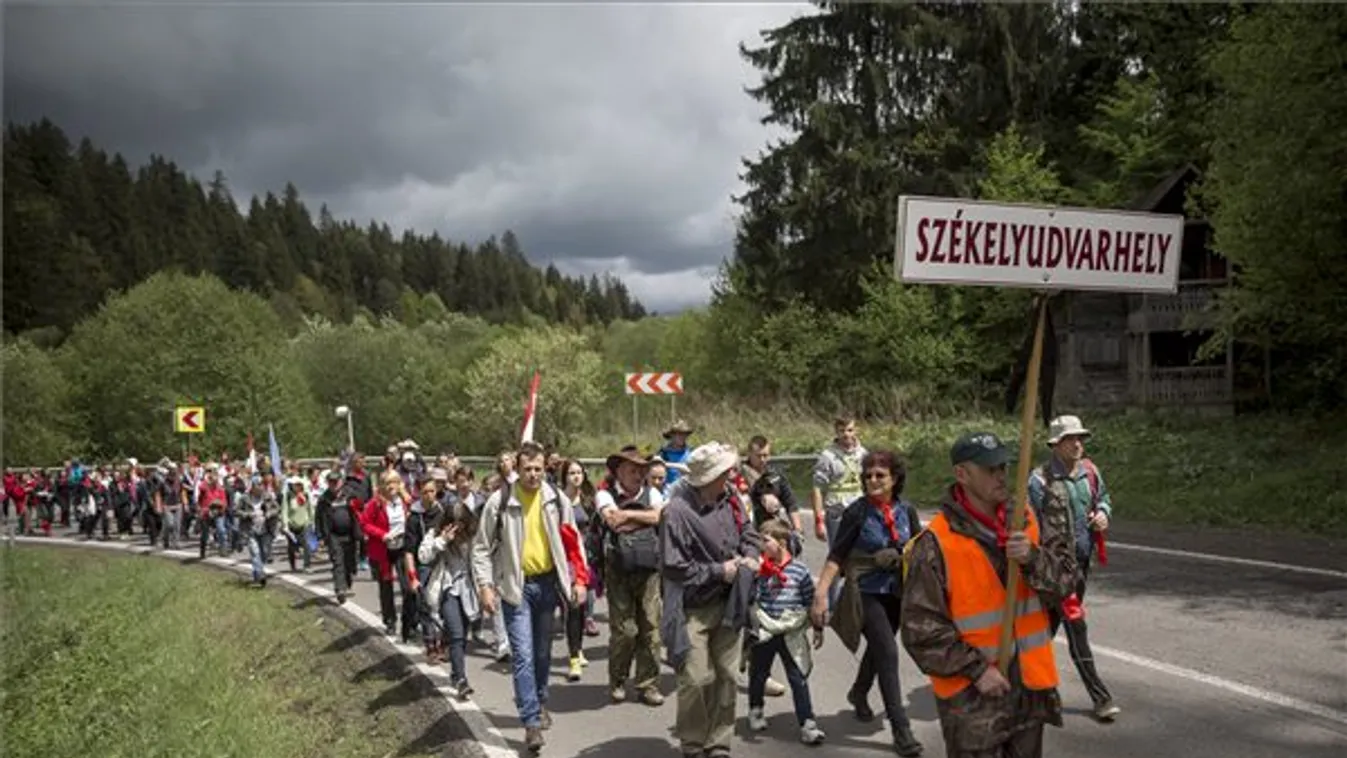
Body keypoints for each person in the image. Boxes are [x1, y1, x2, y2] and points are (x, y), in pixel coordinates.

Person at [901, 432, 1077, 758]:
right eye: (989, 469)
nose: (1000, 475)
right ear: (962, 474)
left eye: (1003, 467)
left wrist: (1033, 558)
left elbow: (1067, 583)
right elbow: (920, 630)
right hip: (973, 705)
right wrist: (977, 670)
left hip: (1028, 694)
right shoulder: (935, 542)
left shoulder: (1027, 519)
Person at [471, 441, 588, 754]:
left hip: (548, 585)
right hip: (516, 587)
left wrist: (580, 579)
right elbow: (481, 547)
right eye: (527, 469)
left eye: (538, 469)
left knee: (542, 653)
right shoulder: (500, 501)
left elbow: (573, 542)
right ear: (517, 469)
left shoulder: (556, 499)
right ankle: (531, 722)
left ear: (545, 469)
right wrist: (484, 585)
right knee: (523, 655)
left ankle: (539, 699)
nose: (533, 475)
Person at [811, 450, 923, 756]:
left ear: (894, 479)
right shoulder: (857, 512)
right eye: (868, 475)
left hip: (897, 591)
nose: (872, 480)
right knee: (887, 652)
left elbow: (919, 548)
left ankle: (859, 692)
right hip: (865, 590)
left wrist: (901, 557)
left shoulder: (907, 511)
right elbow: (837, 556)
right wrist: (821, 595)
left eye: (880, 475)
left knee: (878, 649)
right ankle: (901, 730)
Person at [661, 441, 761, 758]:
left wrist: (751, 555)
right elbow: (674, 567)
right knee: (694, 678)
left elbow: (749, 533)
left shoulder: (731, 499)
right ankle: (692, 743)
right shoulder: (677, 512)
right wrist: (720, 571)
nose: (730, 476)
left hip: (730, 602)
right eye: (724, 472)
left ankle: (719, 743)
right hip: (692, 607)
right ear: (708, 478)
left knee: (727, 676)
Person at [1028, 415, 1120, 722]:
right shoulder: (1039, 481)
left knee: (1044, 631)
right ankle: (1101, 698)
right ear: (1055, 444)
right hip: (1054, 570)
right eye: (1070, 439)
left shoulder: (1090, 472)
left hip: (1081, 565)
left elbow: (1103, 499)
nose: (1078, 444)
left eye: (1080, 438)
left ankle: (1027, 690)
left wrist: (1103, 513)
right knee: (1075, 626)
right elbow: (1028, 524)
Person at [746, 519, 826, 745]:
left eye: (766, 541)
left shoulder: (799, 571)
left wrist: (818, 627)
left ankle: (807, 723)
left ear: (781, 543)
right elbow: (752, 599)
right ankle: (756, 709)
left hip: (792, 632)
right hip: (765, 629)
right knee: (758, 673)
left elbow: (810, 601)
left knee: (798, 677)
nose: (762, 546)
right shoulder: (760, 570)